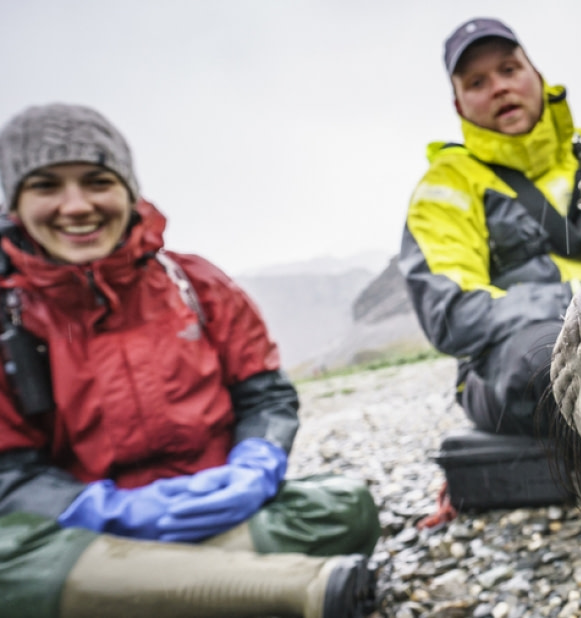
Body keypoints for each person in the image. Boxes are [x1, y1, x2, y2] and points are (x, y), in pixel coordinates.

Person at [0, 103, 380, 618]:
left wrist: (255, 466)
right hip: (82, 536)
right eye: (46, 186)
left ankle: (136, 593)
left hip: (219, 515)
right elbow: (9, 474)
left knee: (343, 507)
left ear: (128, 191)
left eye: (96, 181)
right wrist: (107, 511)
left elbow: (264, 394)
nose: (76, 206)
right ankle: (292, 589)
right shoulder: (9, 316)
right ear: (15, 204)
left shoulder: (196, 284)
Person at [399, 17, 581, 438]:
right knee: (551, 361)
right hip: (507, 362)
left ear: (537, 75)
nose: (499, 87)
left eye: (509, 70)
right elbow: (452, 312)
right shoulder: (444, 186)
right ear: (460, 105)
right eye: (477, 82)